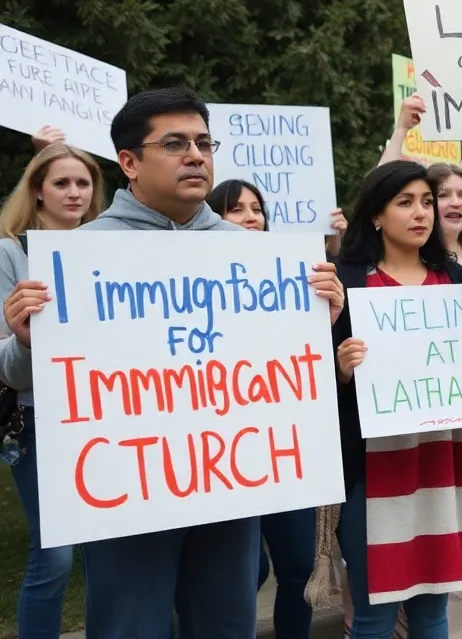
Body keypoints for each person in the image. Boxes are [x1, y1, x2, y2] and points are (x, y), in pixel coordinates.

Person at [3, 87, 345, 637]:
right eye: (176, 143)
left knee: (227, 625)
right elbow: (17, 375)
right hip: (126, 495)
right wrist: (24, 341)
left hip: (230, 486)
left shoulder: (257, 255)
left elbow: (283, 374)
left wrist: (313, 323)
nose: (196, 155)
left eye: (204, 143)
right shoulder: (77, 255)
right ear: (129, 162)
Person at [319, 159, 462, 639]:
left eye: (427, 202)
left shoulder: (452, 277)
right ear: (375, 214)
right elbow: (311, 385)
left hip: (445, 463)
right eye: (405, 202)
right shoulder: (347, 279)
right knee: (374, 614)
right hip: (374, 470)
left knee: (434, 611)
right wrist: (341, 370)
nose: (422, 213)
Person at [206, 178, 323, 638]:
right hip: (220, 452)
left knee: (298, 567)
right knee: (244, 571)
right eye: (237, 210)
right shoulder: (183, 284)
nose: (251, 217)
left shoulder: (297, 280)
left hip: (284, 448)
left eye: (257, 209)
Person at [0, 142, 103, 638]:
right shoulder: (9, 252)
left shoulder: (114, 248)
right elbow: (7, 367)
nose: (74, 192)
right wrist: (24, 342)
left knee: (113, 554)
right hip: (39, 420)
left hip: (106, 416)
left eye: (83, 182)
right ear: (37, 190)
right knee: (56, 555)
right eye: (61, 182)